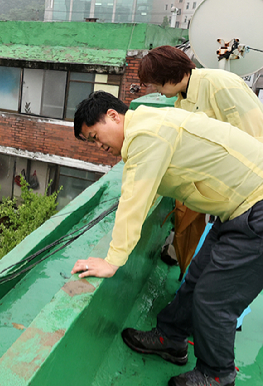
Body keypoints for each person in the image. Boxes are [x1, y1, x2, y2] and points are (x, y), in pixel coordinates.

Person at [70, 91, 263, 386]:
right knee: (196, 279)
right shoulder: (149, 123)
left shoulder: (146, 136)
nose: (99, 146)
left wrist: (112, 260)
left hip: (255, 208)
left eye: (95, 136)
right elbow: (146, 192)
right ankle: (170, 338)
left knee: (215, 299)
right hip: (238, 209)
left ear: (113, 115)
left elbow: (135, 197)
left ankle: (217, 376)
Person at [138, 45, 263, 276]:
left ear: (169, 75)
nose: (155, 89)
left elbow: (254, 136)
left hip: (250, 193)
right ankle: (184, 267)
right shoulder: (181, 101)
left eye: (155, 83)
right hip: (225, 191)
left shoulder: (219, 84)